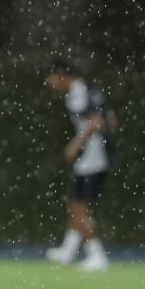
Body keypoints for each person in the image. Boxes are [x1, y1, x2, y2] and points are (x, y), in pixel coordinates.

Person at [43, 61, 116, 273]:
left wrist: (77, 145)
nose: (50, 83)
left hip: (92, 158)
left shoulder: (79, 93)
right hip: (99, 155)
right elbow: (111, 120)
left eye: (51, 77)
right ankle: (68, 250)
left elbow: (95, 123)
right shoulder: (91, 90)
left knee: (79, 206)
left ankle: (97, 255)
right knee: (77, 202)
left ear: (62, 75)